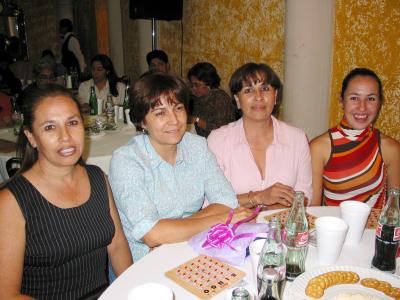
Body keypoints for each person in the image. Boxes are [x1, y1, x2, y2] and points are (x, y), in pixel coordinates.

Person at [0, 84, 132, 299]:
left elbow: (117, 246)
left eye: (72, 123)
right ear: (31, 136)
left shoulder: (97, 177)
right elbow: (6, 294)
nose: (66, 137)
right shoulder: (11, 202)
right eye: (50, 127)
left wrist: (133, 290)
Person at [109, 72, 252, 262]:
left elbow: (226, 201)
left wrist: (170, 231)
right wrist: (221, 219)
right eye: (160, 113)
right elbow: (151, 235)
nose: (174, 120)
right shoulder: (126, 161)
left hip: (193, 249)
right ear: (142, 121)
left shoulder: (197, 146)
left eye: (178, 108)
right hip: (145, 263)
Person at [207, 63, 312, 209]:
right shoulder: (218, 140)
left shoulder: (298, 139)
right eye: (249, 90)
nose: (258, 97)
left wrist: (269, 213)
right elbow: (211, 202)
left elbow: (305, 196)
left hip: (282, 228)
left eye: (265, 89)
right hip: (234, 230)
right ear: (237, 99)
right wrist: (259, 197)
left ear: (275, 96)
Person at [310, 68, 400, 208]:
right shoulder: (319, 147)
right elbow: (313, 208)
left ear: (380, 103)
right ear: (341, 100)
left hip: (374, 230)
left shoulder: (391, 148)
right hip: (334, 229)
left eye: (371, 98)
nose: (362, 107)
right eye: (354, 98)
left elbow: (396, 208)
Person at [187, 62, 235, 137]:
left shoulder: (220, 98)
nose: (193, 88)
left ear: (209, 83)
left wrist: (197, 120)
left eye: (197, 85)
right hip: (198, 140)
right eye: (192, 85)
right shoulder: (196, 98)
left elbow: (223, 130)